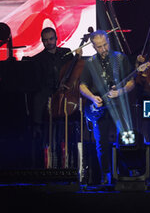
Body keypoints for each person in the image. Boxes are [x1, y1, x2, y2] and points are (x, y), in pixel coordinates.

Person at [79, 30, 135, 184]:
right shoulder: (90, 63)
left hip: (119, 106)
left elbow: (131, 82)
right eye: (99, 47)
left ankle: (124, 174)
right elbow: (82, 86)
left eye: (105, 45)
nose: (103, 49)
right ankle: (106, 175)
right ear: (94, 47)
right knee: (101, 143)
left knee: (125, 139)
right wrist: (92, 97)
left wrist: (121, 91)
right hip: (99, 108)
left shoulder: (120, 58)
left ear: (109, 41)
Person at [30, 27, 81, 168]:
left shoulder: (66, 53)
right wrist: (56, 87)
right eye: (45, 40)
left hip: (66, 95)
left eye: (51, 39)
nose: (49, 42)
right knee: (39, 99)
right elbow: (39, 82)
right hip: (49, 94)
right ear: (42, 41)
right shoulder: (38, 59)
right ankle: (39, 129)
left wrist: (78, 56)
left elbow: (74, 72)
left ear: (56, 38)